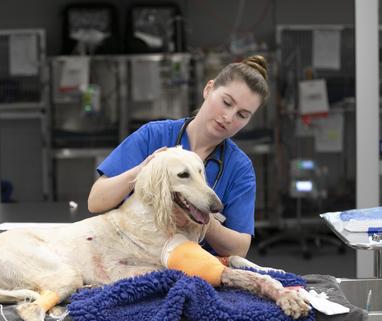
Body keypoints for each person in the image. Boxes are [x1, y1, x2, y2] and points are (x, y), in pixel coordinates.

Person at [88, 54, 269, 262]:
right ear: (208, 89)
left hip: (193, 268)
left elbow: (240, 249)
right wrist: (143, 170)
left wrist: (200, 218)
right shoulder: (153, 136)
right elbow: (95, 202)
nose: (228, 117)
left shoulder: (239, 167)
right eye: (226, 102)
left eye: (242, 115)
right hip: (130, 259)